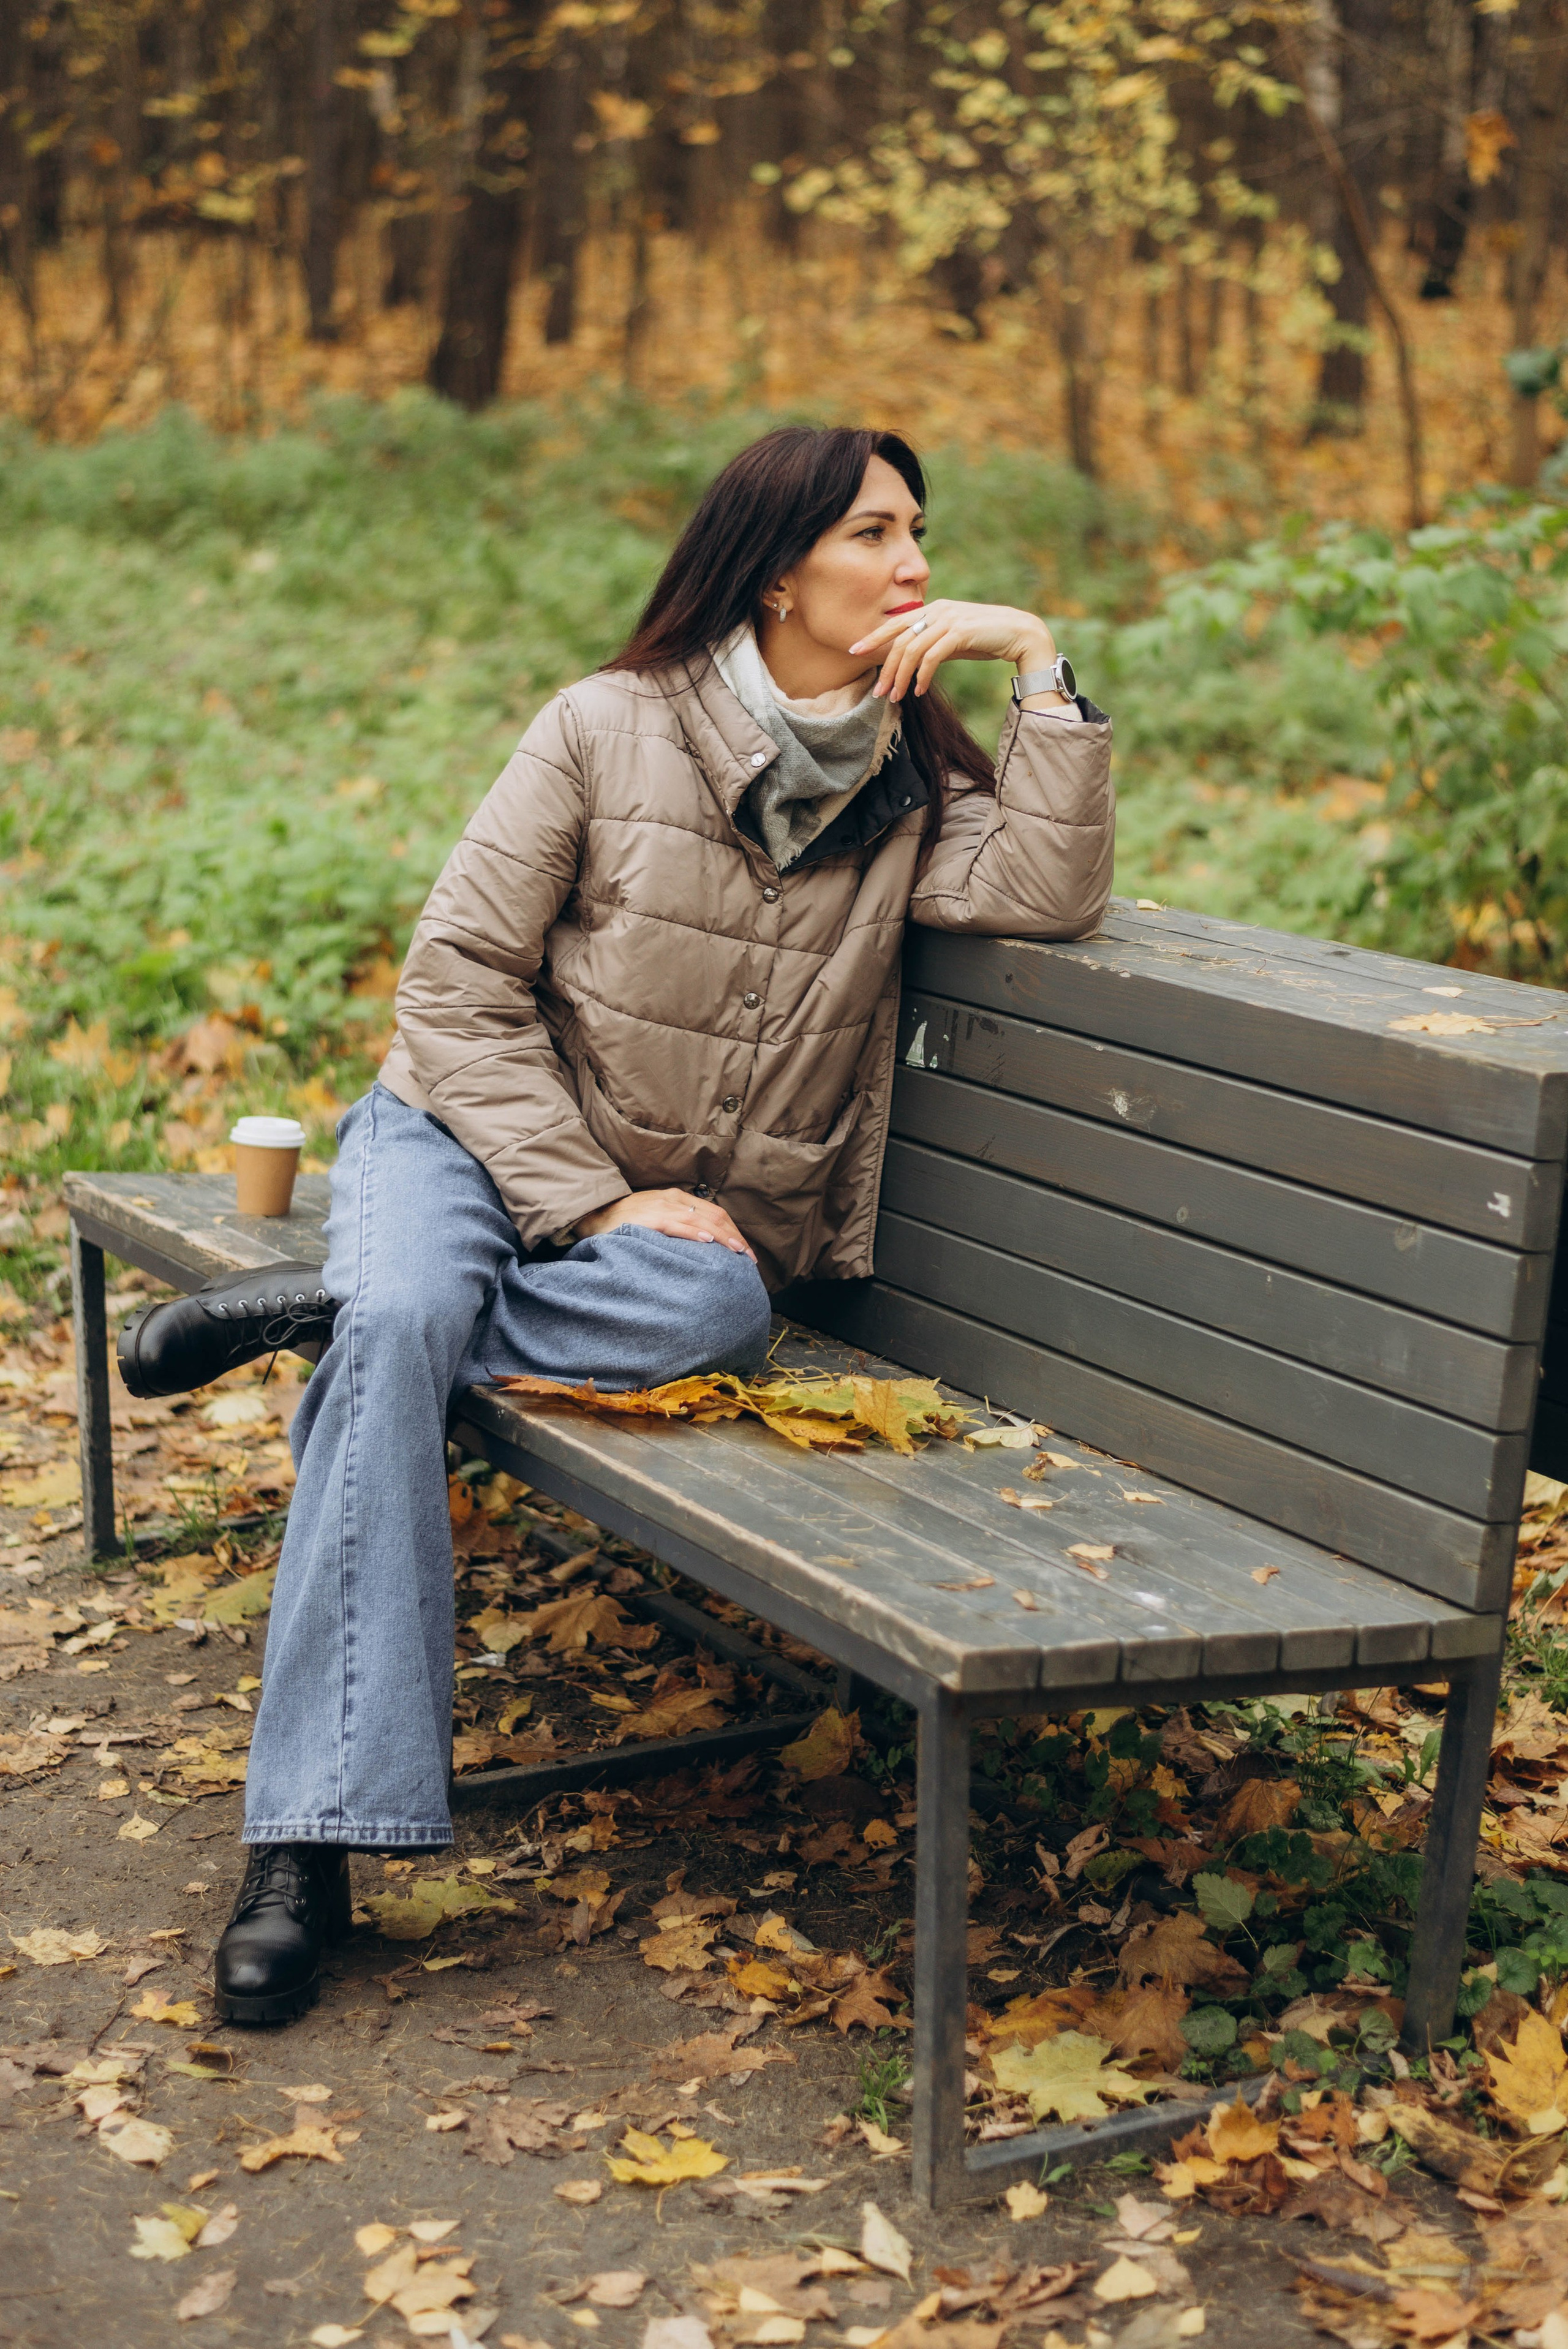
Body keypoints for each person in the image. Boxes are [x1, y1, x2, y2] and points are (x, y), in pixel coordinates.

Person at [116, 424, 1115, 2024]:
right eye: (875, 533)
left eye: (923, 531)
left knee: (683, 1316)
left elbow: (1052, 894)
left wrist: (1040, 665)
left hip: (679, 1249)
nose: (918, 563)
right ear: (778, 567)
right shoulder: (605, 726)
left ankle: (335, 1302)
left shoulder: (914, 788)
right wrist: (588, 1192)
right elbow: (451, 985)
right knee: (403, 1329)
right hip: (463, 1138)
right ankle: (306, 1841)